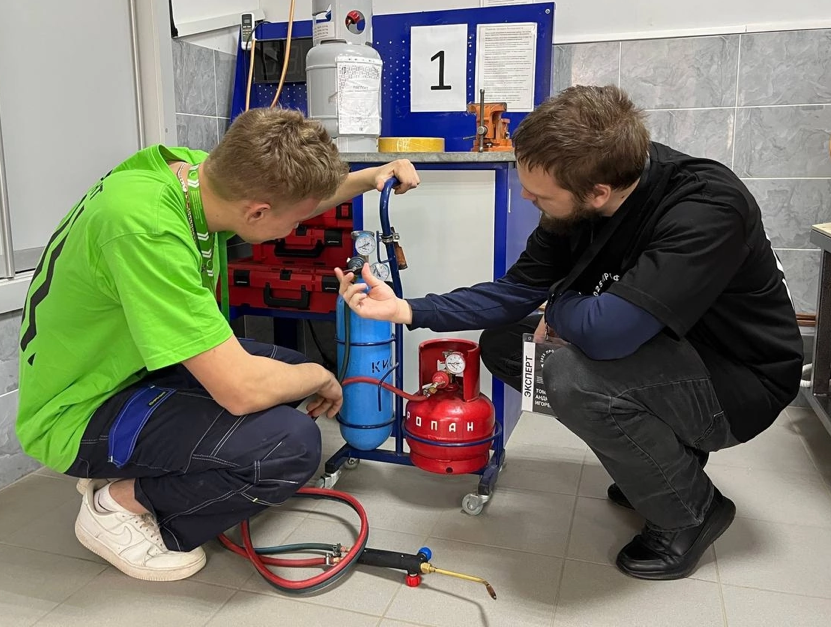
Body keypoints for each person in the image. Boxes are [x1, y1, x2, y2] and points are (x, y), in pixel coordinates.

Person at [335, 85, 803, 581]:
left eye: (540, 196)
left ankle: (691, 512)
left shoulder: (705, 206)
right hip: (666, 353)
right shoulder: (582, 197)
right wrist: (408, 309)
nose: (526, 197)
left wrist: (558, 305)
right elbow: (516, 292)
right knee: (506, 344)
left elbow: (608, 334)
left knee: (573, 377)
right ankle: (664, 463)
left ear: (597, 192)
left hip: (735, 383)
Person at [16, 108, 420, 582]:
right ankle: (115, 506)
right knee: (289, 445)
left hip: (130, 369)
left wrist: (370, 177)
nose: (295, 229)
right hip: (79, 410)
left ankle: (147, 465)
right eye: (292, 223)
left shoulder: (195, 176)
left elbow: (290, 198)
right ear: (257, 212)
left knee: (284, 371)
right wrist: (321, 374)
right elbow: (241, 392)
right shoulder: (147, 230)